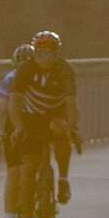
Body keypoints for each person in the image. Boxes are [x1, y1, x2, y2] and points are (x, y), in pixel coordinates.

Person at [19, 30, 78, 205]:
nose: (45, 57)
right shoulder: (26, 69)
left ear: (56, 53)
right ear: (35, 53)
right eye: (40, 53)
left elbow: (71, 103)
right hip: (31, 117)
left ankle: (63, 180)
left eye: (49, 52)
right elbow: (14, 101)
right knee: (30, 165)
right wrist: (17, 127)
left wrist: (72, 127)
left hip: (56, 113)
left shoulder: (65, 70)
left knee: (60, 130)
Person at [0, 44, 37, 218]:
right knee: (13, 172)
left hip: (37, 126)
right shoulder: (9, 80)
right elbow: (0, 110)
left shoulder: (43, 80)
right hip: (14, 127)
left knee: (33, 168)